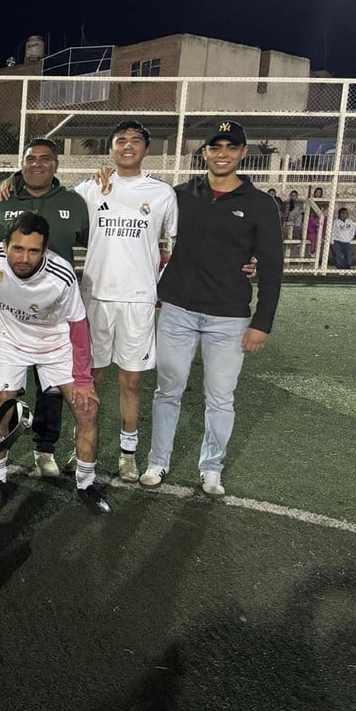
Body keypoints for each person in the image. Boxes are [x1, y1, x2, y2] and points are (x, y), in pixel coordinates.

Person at [142, 120, 283, 497]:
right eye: (215, 147)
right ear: (204, 152)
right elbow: (136, 208)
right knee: (167, 390)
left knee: (220, 397)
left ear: (241, 153)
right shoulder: (179, 195)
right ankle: (158, 460)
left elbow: (272, 267)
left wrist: (262, 323)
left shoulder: (260, 204)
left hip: (229, 317)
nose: (222, 154)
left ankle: (211, 468)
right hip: (178, 310)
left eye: (230, 147)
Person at [0, 212, 111, 514]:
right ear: (5, 244)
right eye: (17, 248)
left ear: (44, 250)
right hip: (10, 341)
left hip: (55, 344)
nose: (24, 257)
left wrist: (83, 379)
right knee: (2, 406)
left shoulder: (61, 273)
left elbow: (78, 325)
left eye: (33, 250)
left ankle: (86, 484)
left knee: (87, 408)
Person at [73, 121, 177, 482]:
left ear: (146, 148)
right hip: (96, 297)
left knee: (131, 381)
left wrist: (160, 285)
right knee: (92, 378)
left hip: (138, 300)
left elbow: (178, 244)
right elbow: (56, 210)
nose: (127, 146)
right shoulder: (91, 187)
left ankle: (127, 453)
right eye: (121, 140)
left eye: (135, 140)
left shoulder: (162, 193)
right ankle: (82, 447)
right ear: (111, 148)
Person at [0, 138, 89, 478]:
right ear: (22, 163)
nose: (37, 164)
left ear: (56, 164)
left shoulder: (75, 202)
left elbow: (93, 242)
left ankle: (44, 450)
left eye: (45, 158)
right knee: (4, 391)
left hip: (53, 315)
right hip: (8, 311)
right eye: (31, 159)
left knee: (53, 391)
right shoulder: (2, 200)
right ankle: (1, 460)